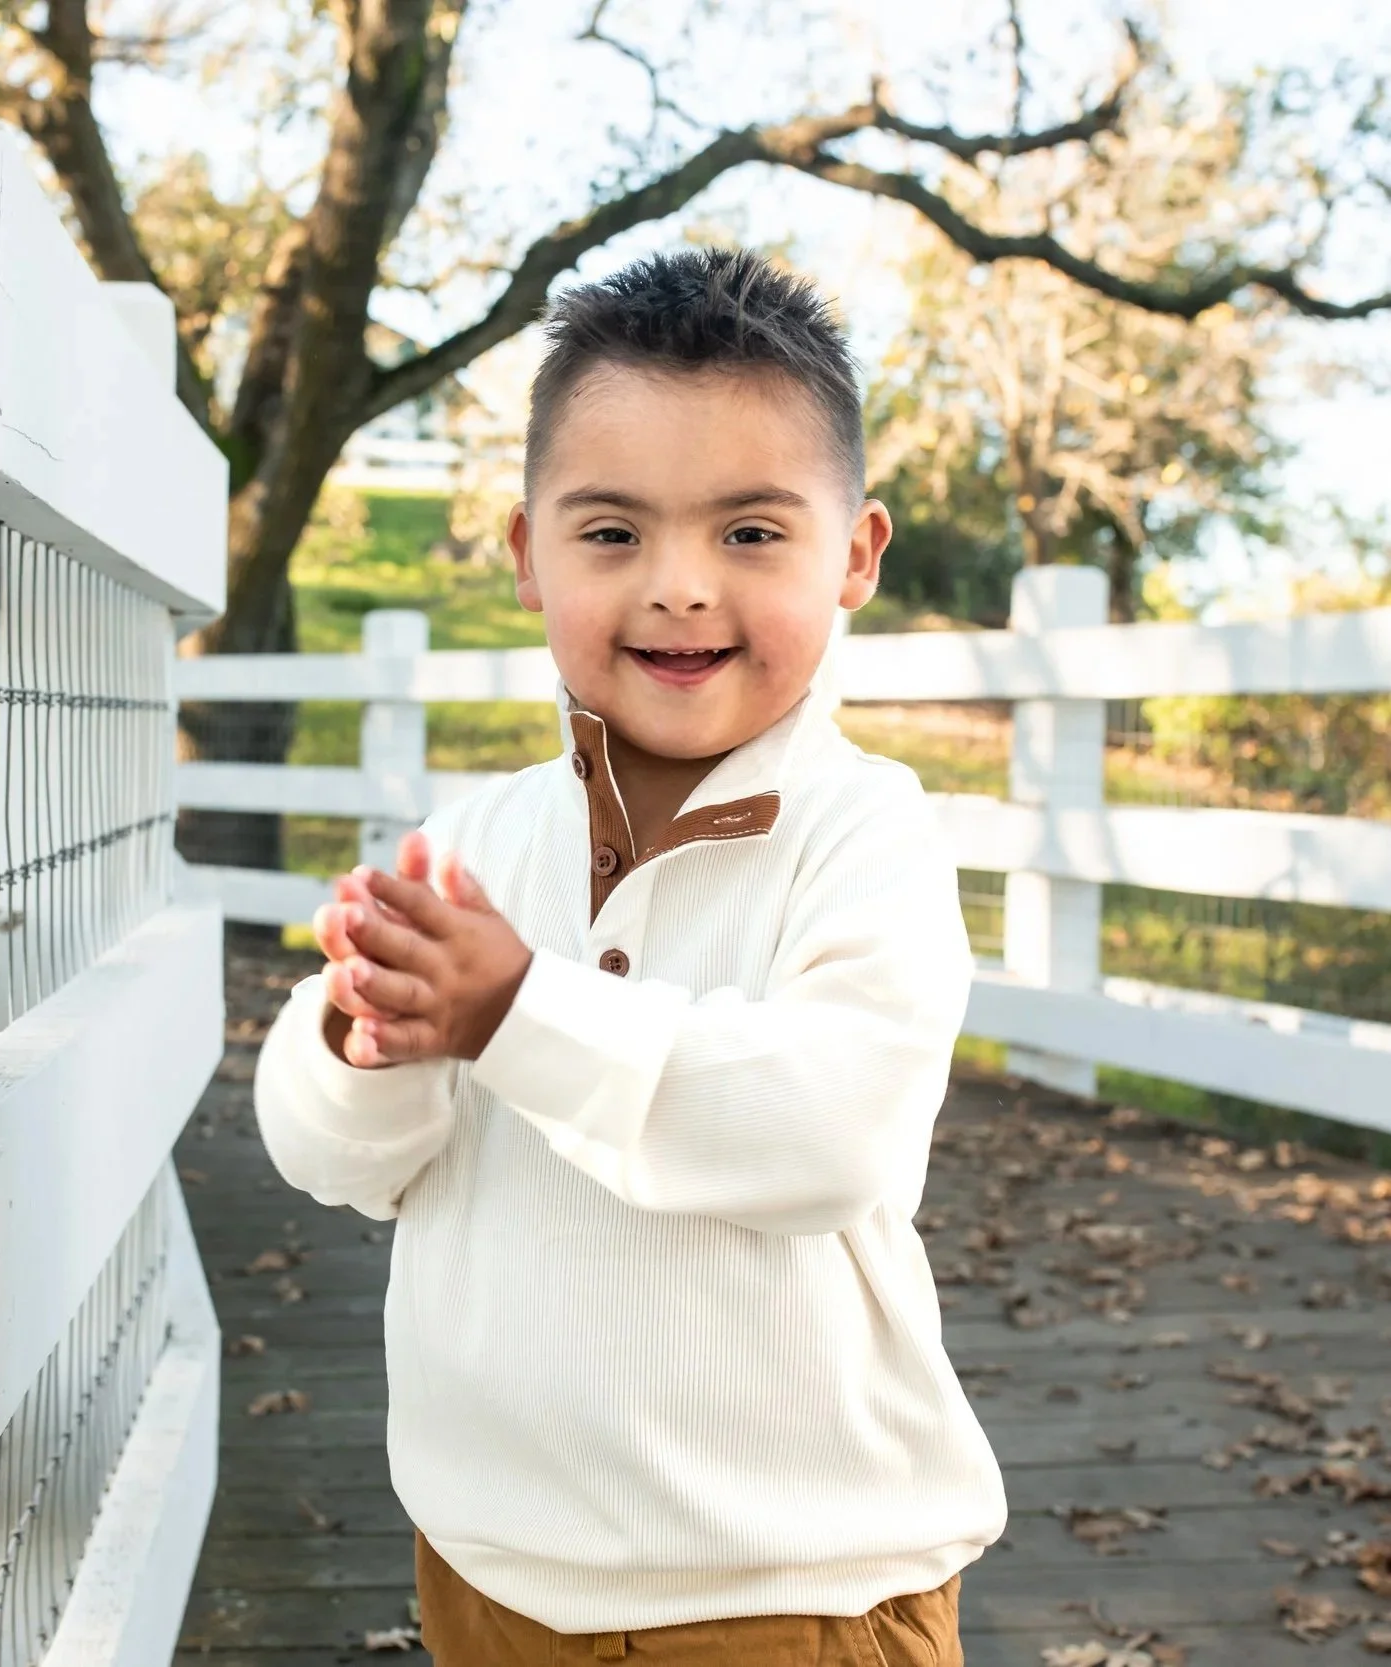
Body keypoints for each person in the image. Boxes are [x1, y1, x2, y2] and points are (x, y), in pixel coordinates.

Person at [252, 246, 1007, 1666]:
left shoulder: (863, 834)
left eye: (748, 533)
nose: (676, 587)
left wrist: (516, 1008)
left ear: (852, 554)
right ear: (524, 552)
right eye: (610, 533)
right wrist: (356, 1046)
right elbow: (340, 1162)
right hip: (494, 1566)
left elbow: (825, 1133)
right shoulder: (470, 843)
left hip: (788, 1588)